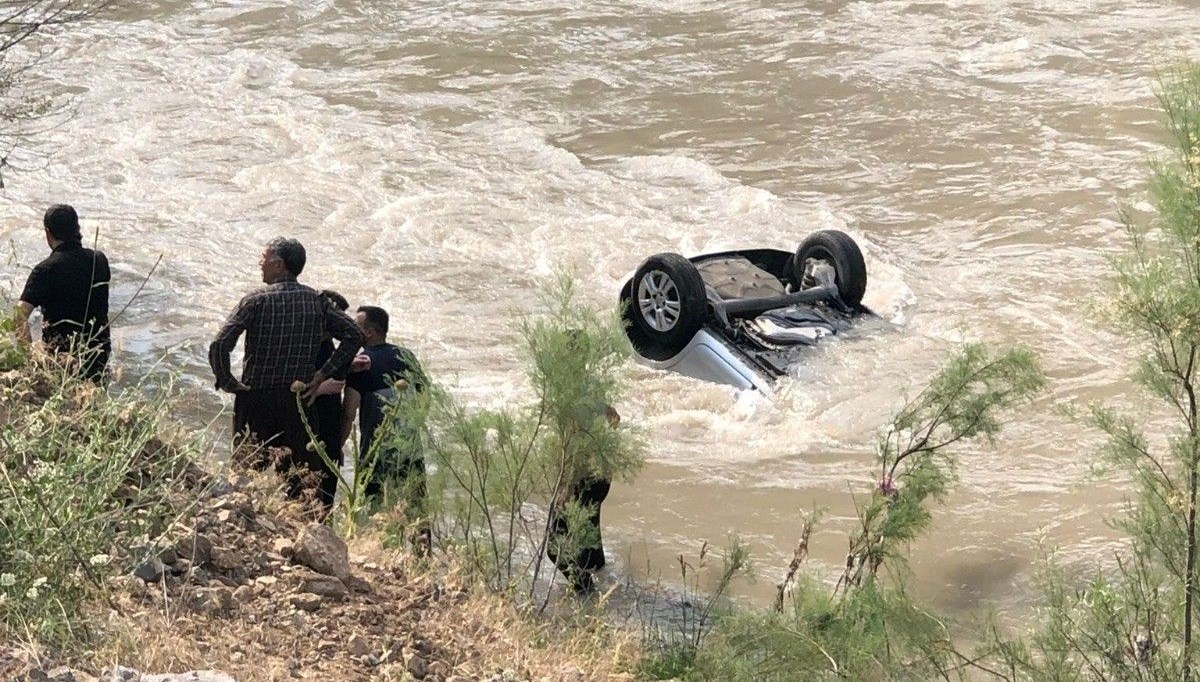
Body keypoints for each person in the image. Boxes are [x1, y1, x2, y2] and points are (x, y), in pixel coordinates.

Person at [208, 237, 363, 506]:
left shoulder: (255, 300)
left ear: (279, 265)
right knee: (299, 482)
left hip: (254, 399)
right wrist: (321, 375)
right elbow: (354, 335)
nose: (260, 263)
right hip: (299, 402)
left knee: (245, 474)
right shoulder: (317, 301)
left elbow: (220, 343)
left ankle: (243, 525)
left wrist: (227, 380)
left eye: (264, 258)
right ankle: (300, 534)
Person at [341, 306, 428, 534]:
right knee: (417, 509)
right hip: (410, 447)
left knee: (373, 507)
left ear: (369, 332)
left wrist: (337, 446)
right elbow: (425, 397)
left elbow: (349, 413)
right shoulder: (406, 355)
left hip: (376, 450)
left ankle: (379, 553)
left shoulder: (361, 363)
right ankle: (422, 558)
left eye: (356, 326)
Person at [14, 204, 111, 381]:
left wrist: (30, 357)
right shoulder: (100, 260)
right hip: (98, 357)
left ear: (48, 233)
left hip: (61, 362)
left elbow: (19, 315)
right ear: (77, 228)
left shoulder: (44, 270)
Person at [547, 404, 620, 595]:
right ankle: (606, 586)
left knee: (555, 548)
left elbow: (576, 440)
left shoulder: (572, 392)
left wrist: (568, 485)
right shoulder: (590, 387)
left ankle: (587, 595)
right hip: (601, 476)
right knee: (591, 551)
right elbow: (614, 418)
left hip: (582, 479)